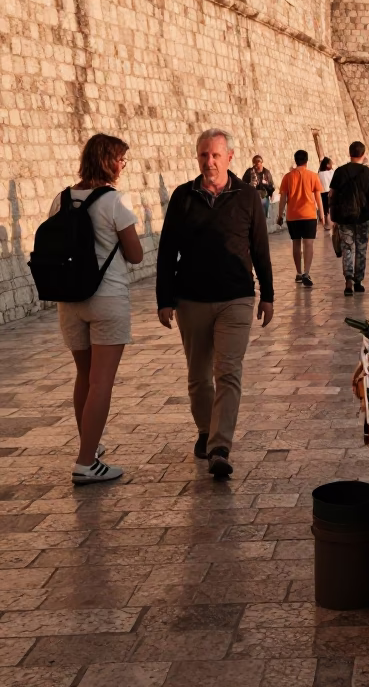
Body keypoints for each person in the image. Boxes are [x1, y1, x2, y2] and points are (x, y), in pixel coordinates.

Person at [157, 128, 274, 480]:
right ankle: (206, 432)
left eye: (216, 155)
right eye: (204, 155)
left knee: (228, 372)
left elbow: (260, 247)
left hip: (236, 297)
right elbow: (166, 251)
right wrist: (164, 299)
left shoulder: (247, 196)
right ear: (198, 157)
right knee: (198, 377)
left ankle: (220, 446)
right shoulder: (182, 197)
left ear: (229, 158)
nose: (209, 161)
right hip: (191, 298)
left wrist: (267, 294)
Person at [48, 134, 143, 485]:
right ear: (108, 161)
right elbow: (135, 255)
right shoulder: (114, 201)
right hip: (107, 299)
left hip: (69, 301)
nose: (123, 165)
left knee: (84, 378)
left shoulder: (61, 199)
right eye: (121, 159)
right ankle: (86, 461)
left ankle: (91, 444)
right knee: (102, 381)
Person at [329, 141, 369, 295]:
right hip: (363, 216)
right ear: (363, 155)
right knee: (361, 249)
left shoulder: (339, 172)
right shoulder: (368, 173)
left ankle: (348, 280)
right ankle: (358, 281)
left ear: (349, 153)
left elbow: (331, 194)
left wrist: (332, 216)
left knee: (347, 248)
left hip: (344, 217)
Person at [277, 150, 323, 287]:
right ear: (307, 161)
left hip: (293, 215)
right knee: (308, 244)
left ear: (295, 160)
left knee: (296, 243)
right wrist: (322, 214)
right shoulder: (313, 176)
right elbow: (318, 197)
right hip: (309, 215)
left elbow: (283, 198)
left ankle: (298, 272)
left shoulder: (287, 177)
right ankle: (306, 272)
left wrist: (280, 215)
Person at [242, 155, 275, 220]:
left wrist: (271, 193)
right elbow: (243, 183)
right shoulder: (250, 171)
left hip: (264, 198)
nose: (256, 166)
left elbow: (271, 184)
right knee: (254, 218)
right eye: (255, 164)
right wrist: (250, 184)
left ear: (261, 163)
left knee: (263, 218)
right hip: (253, 198)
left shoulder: (266, 172)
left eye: (258, 164)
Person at [318, 157, 334, 230]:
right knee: (333, 207)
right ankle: (334, 223)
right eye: (331, 163)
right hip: (331, 191)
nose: (332, 165)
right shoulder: (331, 172)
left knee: (326, 209)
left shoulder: (319, 173)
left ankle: (326, 224)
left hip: (323, 192)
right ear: (327, 165)